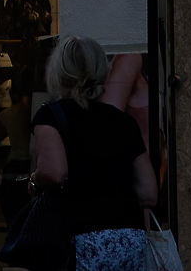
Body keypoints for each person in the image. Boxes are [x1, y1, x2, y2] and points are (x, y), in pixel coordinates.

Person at [19, 40, 153, 271]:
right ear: (102, 71)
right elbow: (148, 193)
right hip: (130, 240)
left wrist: (33, 181)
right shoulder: (123, 121)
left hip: (80, 239)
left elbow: (54, 172)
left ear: (58, 72)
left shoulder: (50, 116)